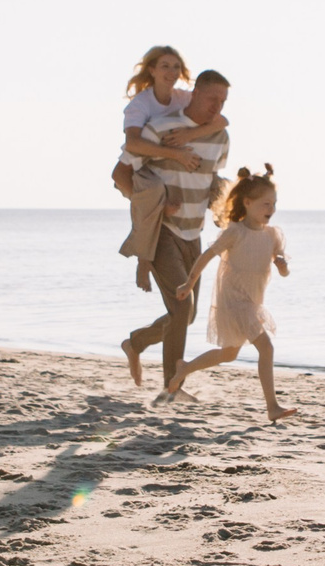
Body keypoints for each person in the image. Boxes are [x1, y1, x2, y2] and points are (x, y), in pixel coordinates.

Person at [121, 70, 231, 395]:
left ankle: (136, 342)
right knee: (182, 307)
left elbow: (213, 180)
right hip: (162, 230)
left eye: (223, 101)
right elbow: (130, 173)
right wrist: (156, 200)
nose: (217, 107)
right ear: (194, 93)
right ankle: (173, 385)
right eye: (212, 98)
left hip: (193, 232)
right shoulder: (160, 129)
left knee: (188, 314)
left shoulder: (221, 138)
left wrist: (228, 211)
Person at [166, 164, 296, 422]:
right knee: (266, 348)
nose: (271, 210)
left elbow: (284, 271)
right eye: (266, 204)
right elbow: (206, 256)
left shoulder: (273, 235)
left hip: (253, 300)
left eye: (274, 204)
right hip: (233, 300)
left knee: (229, 354)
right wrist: (188, 284)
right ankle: (272, 406)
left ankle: (184, 369)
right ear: (247, 202)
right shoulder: (235, 232)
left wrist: (282, 266)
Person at [112, 46, 228, 293]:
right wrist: (176, 153)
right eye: (165, 66)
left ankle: (147, 257)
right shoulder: (141, 104)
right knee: (153, 195)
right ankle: (144, 261)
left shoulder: (182, 97)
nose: (172, 72)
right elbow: (133, 143)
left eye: (176, 66)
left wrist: (189, 134)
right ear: (152, 70)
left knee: (208, 184)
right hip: (139, 167)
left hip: (164, 161)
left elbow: (221, 120)